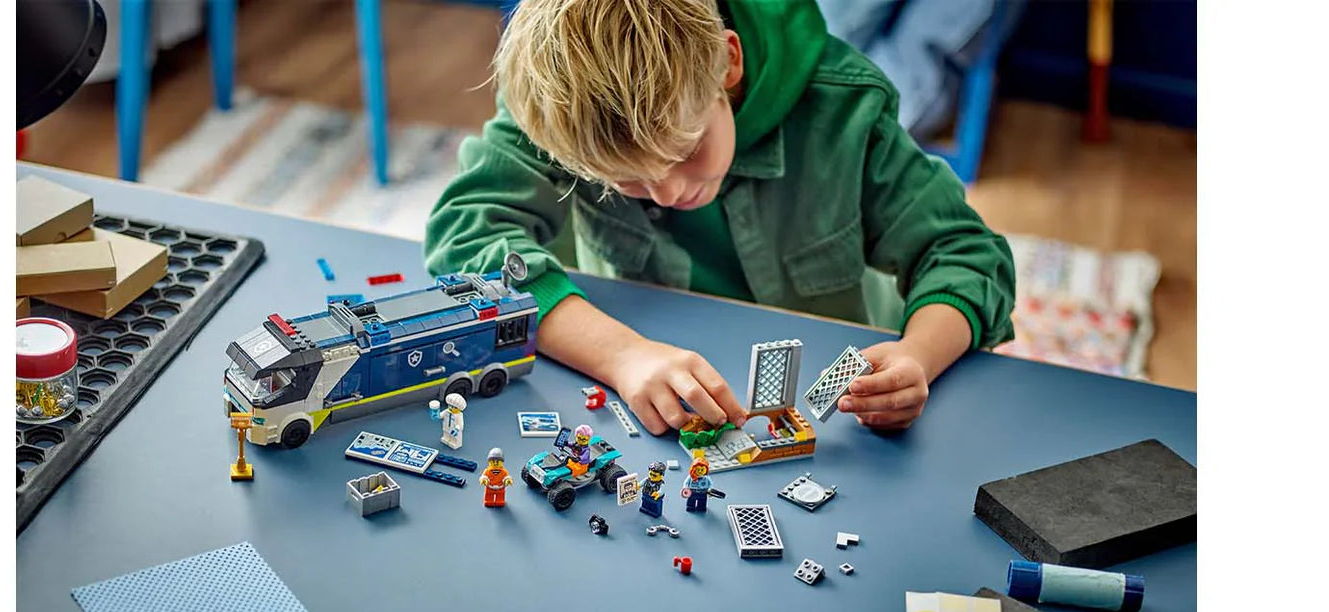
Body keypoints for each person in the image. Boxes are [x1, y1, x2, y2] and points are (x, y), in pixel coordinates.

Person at [425, 0, 1015, 435]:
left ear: (727, 63)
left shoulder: (846, 106)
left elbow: (965, 253)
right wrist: (621, 355)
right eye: (626, 180)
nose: (668, 192)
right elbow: (465, 234)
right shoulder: (561, 103)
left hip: (840, 414)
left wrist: (918, 355)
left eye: (686, 151)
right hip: (648, 384)